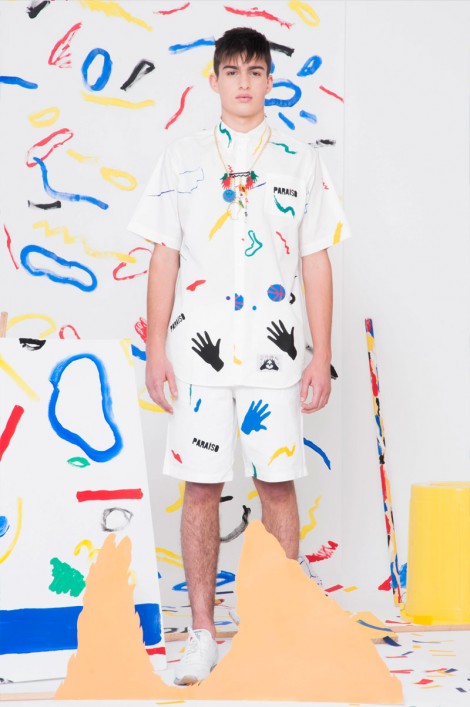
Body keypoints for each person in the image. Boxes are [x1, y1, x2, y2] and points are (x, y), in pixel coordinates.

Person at [128, 26, 350, 685]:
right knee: (200, 487)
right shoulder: (182, 157)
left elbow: (317, 260)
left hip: (276, 356)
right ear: (215, 80)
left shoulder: (300, 160)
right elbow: (163, 254)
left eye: (256, 71)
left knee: (277, 485)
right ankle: (202, 633)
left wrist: (321, 354)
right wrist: (156, 349)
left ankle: (277, 629)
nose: (245, 82)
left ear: (270, 82)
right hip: (198, 356)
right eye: (233, 71)